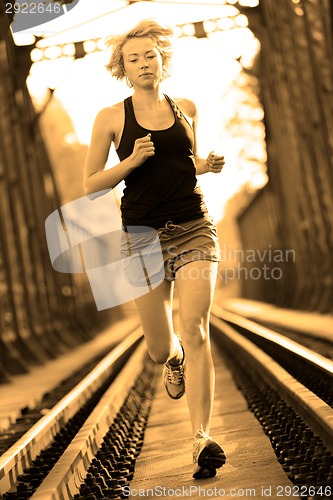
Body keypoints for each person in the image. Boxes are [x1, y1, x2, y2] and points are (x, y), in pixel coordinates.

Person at [84, 19, 226, 479]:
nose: (144, 64)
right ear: (122, 69)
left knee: (196, 327)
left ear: (162, 59)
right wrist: (129, 161)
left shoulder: (186, 107)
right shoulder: (110, 117)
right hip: (141, 237)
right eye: (133, 59)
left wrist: (208, 164)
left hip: (193, 225)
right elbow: (90, 186)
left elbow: (188, 163)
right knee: (160, 345)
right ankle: (174, 360)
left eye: (150, 55)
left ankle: (200, 438)